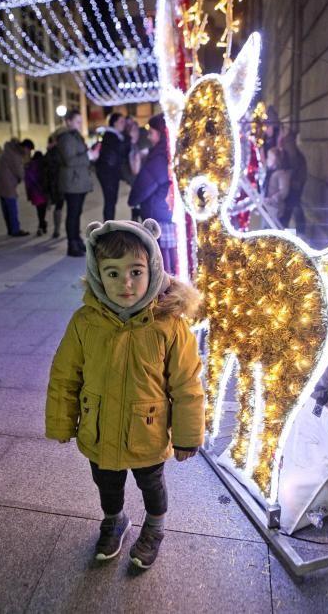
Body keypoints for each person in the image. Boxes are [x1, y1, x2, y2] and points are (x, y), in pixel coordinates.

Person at [46, 218, 204, 569]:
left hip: (147, 430)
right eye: (113, 273)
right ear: (98, 273)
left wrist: (187, 435)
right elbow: (64, 375)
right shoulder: (84, 322)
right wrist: (61, 422)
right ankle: (114, 519)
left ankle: (155, 527)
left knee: (151, 483)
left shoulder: (170, 326)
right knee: (107, 482)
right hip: (98, 428)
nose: (126, 284)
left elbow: (187, 384)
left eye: (135, 271)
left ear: (154, 268)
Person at [128, 114, 177, 274]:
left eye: (151, 132)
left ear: (161, 133)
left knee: (162, 259)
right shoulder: (167, 151)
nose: (149, 136)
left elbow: (145, 184)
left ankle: (166, 292)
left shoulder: (160, 156)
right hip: (165, 211)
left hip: (159, 213)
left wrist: (132, 199)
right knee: (168, 255)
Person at [56, 109, 93, 257]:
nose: (80, 124)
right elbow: (69, 160)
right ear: (68, 121)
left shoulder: (75, 136)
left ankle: (77, 240)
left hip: (78, 181)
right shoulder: (66, 138)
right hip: (72, 182)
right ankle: (72, 245)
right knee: (73, 213)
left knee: (77, 213)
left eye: (81, 121)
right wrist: (89, 156)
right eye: (77, 121)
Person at [0, 138, 30, 237]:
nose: (28, 152)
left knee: (6, 207)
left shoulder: (7, 150)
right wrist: (22, 177)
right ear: (25, 147)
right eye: (29, 150)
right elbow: (19, 172)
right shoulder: (15, 155)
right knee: (12, 207)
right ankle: (15, 230)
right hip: (7, 183)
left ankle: (10, 228)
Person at [95, 112, 127, 221]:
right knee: (110, 201)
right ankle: (109, 227)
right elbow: (112, 158)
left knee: (111, 201)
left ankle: (109, 225)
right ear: (114, 123)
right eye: (121, 121)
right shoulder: (111, 136)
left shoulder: (114, 136)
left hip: (108, 173)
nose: (124, 124)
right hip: (109, 174)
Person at [278, 131, 307, 234]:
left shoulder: (292, 153)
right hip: (295, 184)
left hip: (295, 185)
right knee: (294, 206)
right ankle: (299, 231)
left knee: (292, 207)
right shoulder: (291, 153)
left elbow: (292, 169)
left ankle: (295, 232)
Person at [262, 147, 291, 225]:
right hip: (268, 205)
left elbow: (284, 191)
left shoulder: (282, 174)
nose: (267, 160)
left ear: (276, 160)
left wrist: (274, 198)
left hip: (276, 208)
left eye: (270, 158)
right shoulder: (270, 172)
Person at [44, 133, 64, 238]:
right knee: (60, 205)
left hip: (52, 183)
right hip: (59, 182)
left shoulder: (48, 153)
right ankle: (57, 229)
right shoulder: (58, 152)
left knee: (57, 205)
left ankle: (56, 229)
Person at [25, 150, 48, 236]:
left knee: (39, 209)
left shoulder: (30, 166)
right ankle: (42, 224)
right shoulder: (43, 165)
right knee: (43, 209)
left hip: (35, 192)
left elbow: (28, 180)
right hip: (43, 190)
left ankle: (42, 224)